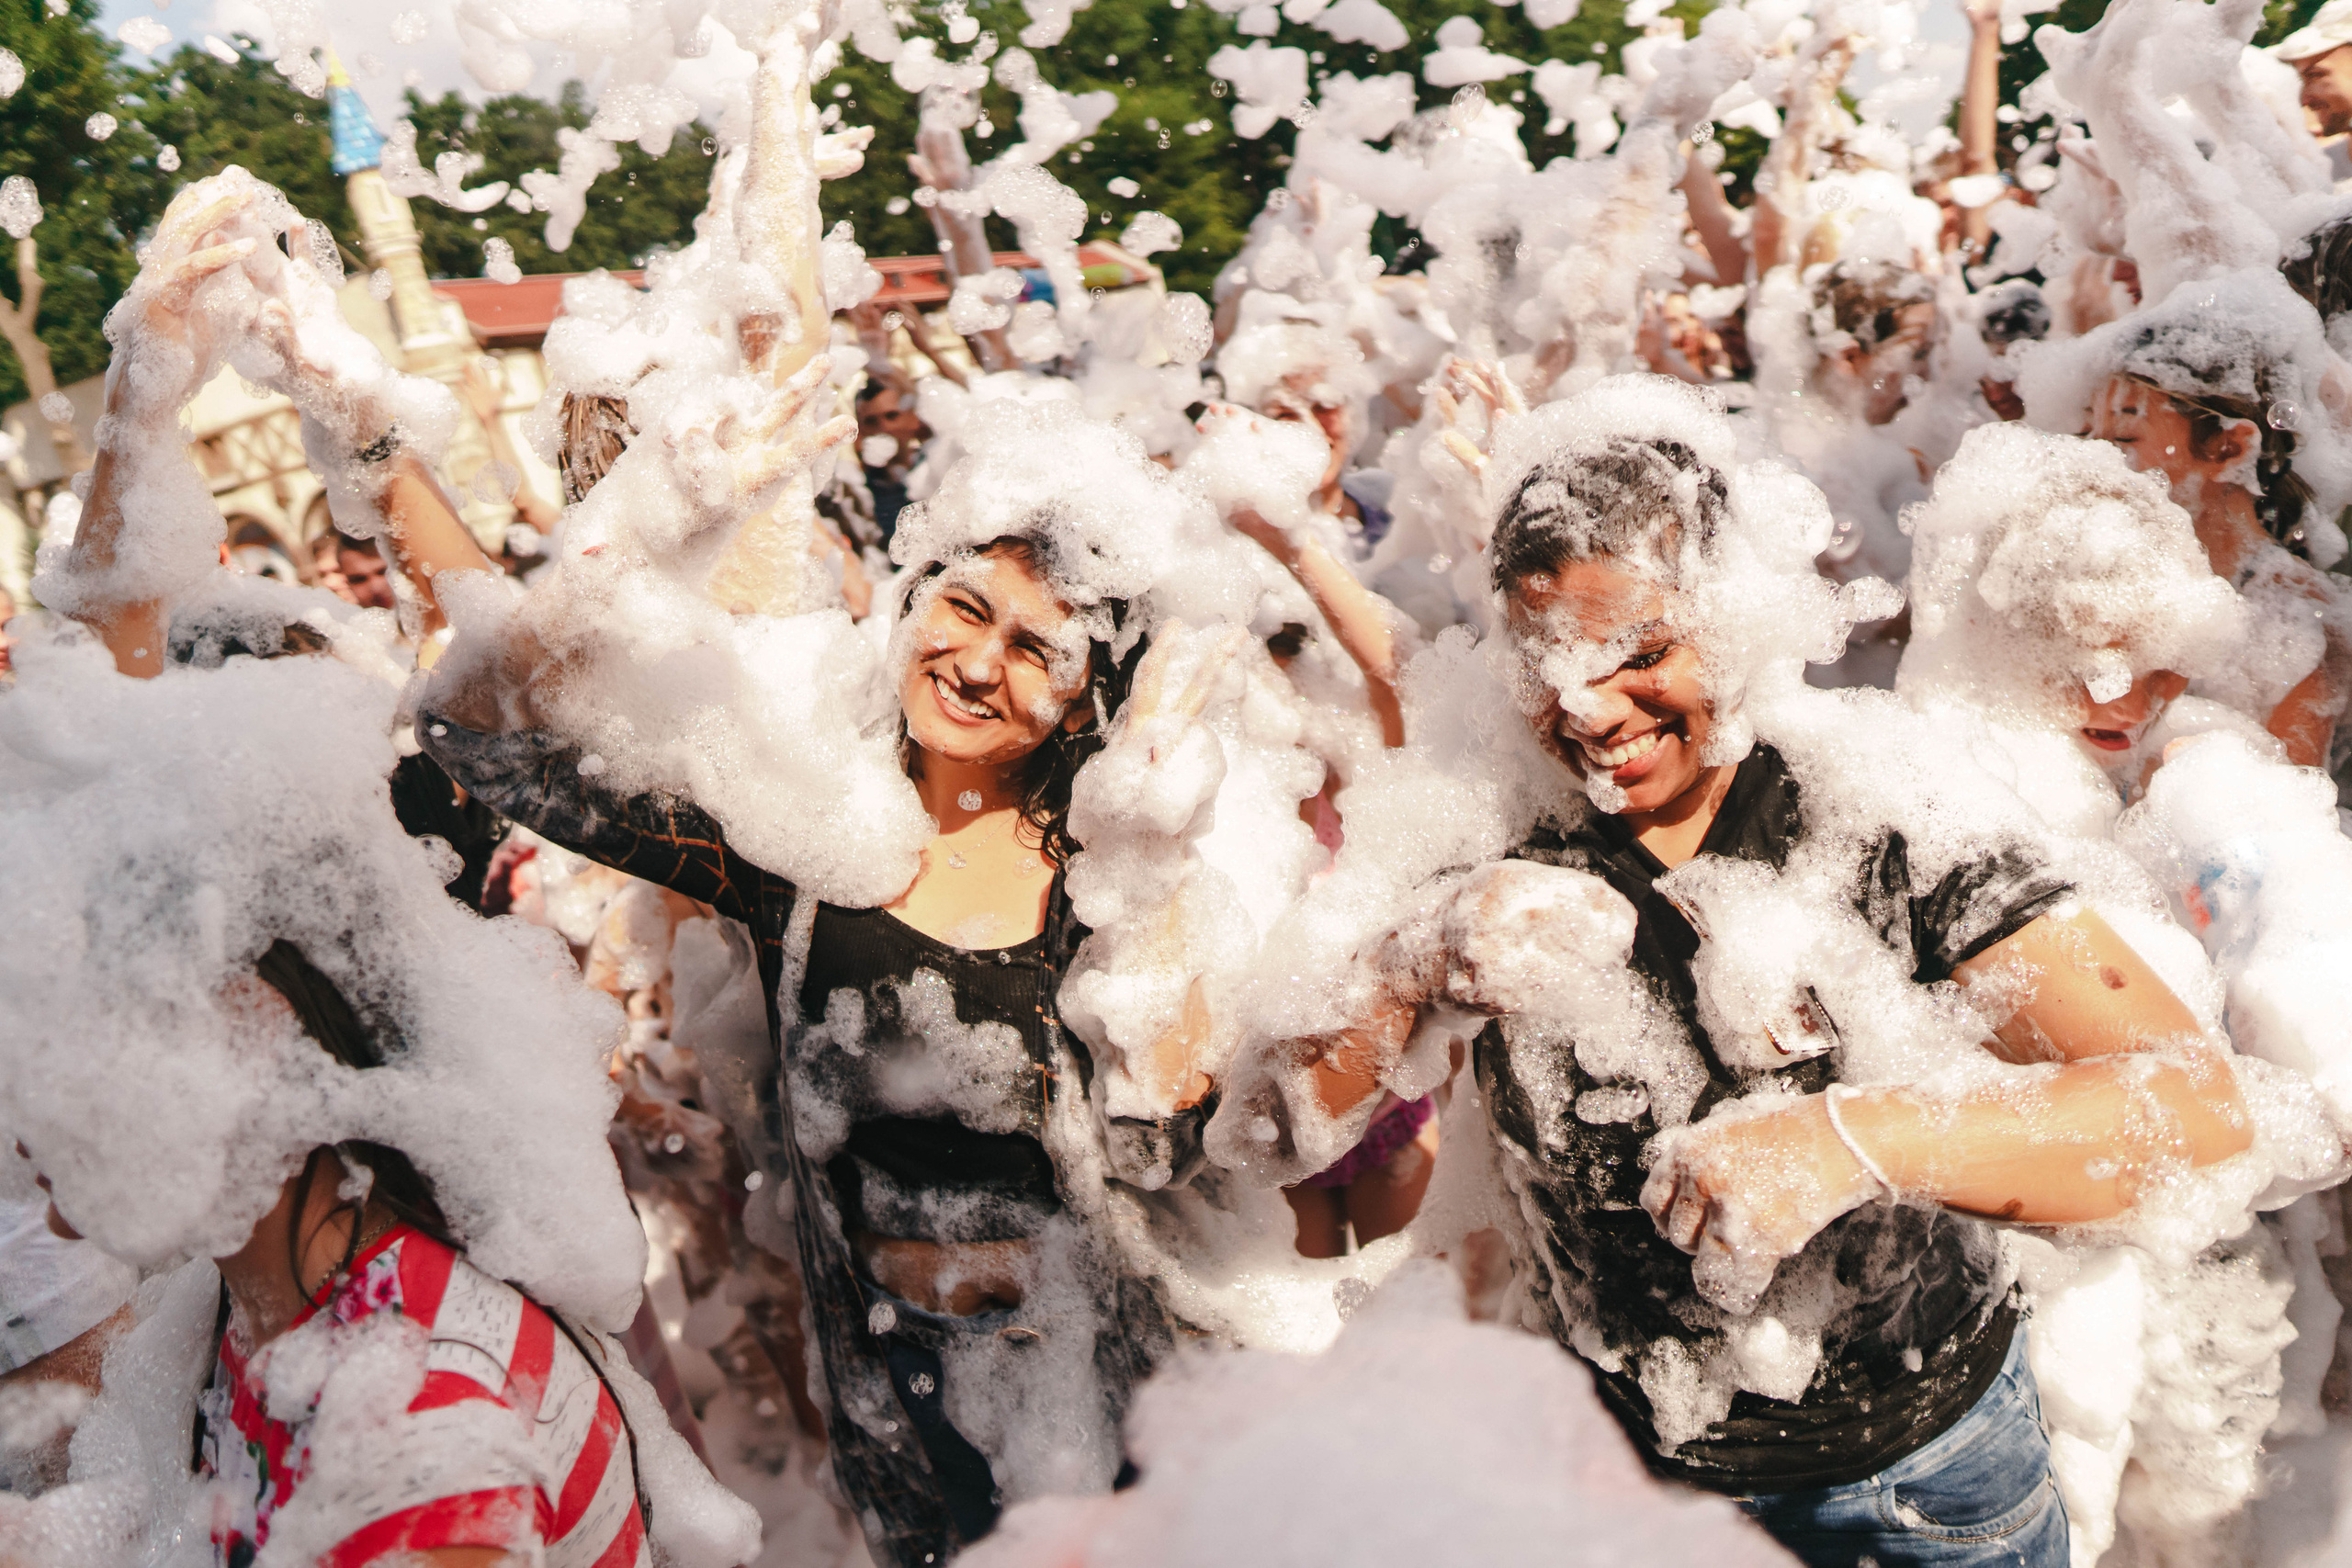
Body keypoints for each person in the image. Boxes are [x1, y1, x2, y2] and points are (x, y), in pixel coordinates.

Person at [1272, 378, 2257, 1568]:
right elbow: (1277, 1133)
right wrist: (1410, 967)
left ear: (1732, 621)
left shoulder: (1872, 807)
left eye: (1639, 649)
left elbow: (2196, 1108)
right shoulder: (1475, 819)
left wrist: (1851, 1138)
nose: (1588, 708)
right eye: (1548, 656)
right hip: (1642, 1475)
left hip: (1922, 1469)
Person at [2080, 306, 2352, 768]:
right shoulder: (2109, 572)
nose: (2091, 457)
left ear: (2229, 449)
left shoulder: (2290, 626)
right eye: (2087, 430)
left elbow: (2291, 820)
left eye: (2123, 439)